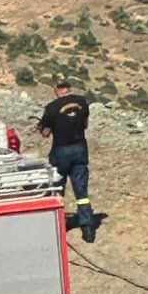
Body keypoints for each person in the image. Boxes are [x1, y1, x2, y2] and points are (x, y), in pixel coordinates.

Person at [38, 76, 98, 241]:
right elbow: (85, 124)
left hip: (61, 152)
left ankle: (55, 223)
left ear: (56, 90)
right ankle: (88, 230)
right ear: (69, 87)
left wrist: (41, 127)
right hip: (80, 149)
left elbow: (45, 133)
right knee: (81, 191)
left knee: (57, 188)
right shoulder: (82, 102)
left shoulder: (51, 108)